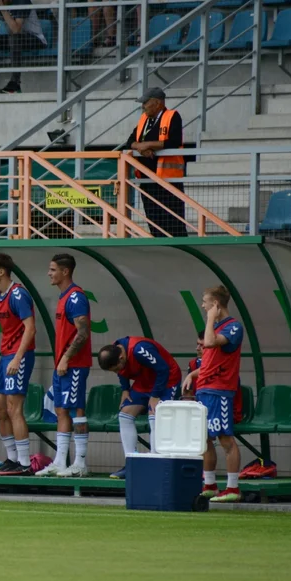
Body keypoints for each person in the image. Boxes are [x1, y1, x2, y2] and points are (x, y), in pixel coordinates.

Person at [183, 286, 243, 503]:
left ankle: (233, 488)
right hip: (205, 389)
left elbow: (209, 342)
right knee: (204, 438)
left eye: (205, 302)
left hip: (220, 391)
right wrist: (193, 375)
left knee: (225, 438)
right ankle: (209, 484)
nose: (203, 306)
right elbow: (212, 359)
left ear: (216, 305)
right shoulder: (217, 326)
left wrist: (210, 319)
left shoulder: (233, 327)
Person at [35, 254, 92, 478]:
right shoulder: (63, 297)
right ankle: (59, 461)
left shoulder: (76, 297)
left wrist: (67, 358)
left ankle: (80, 463)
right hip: (63, 366)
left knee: (77, 410)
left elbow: (83, 333)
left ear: (65, 271)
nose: (49, 273)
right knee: (61, 410)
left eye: (52, 269)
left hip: (74, 364)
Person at [97, 336, 181, 479]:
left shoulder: (140, 349)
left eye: (116, 368)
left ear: (122, 357)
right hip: (144, 382)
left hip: (167, 381)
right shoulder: (115, 350)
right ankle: (131, 463)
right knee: (124, 415)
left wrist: (155, 396)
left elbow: (163, 369)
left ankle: (156, 463)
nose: (117, 372)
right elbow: (122, 372)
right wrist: (125, 389)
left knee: (155, 414)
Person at [0, 252, 36, 477]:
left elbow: (30, 328)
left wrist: (17, 358)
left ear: (1, 271)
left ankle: (24, 463)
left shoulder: (18, 294)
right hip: (6, 355)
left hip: (18, 356)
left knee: (15, 408)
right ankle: (12, 459)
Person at [124, 87, 186, 237]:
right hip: (147, 179)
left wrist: (148, 144)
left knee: (172, 219)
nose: (143, 106)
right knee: (153, 218)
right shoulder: (144, 119)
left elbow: (174, 141)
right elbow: (130, 142)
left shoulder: (172, 116)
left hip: (168, 180)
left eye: (146, 103)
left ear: (157, 103)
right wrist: (141, 147)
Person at [0, 0, 46, 95]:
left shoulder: (22, 2)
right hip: (14, 40)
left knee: (14, 37)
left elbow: (16, 29)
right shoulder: (1, 4)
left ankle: (15, 83)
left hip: (35, 39)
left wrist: (2, 9)